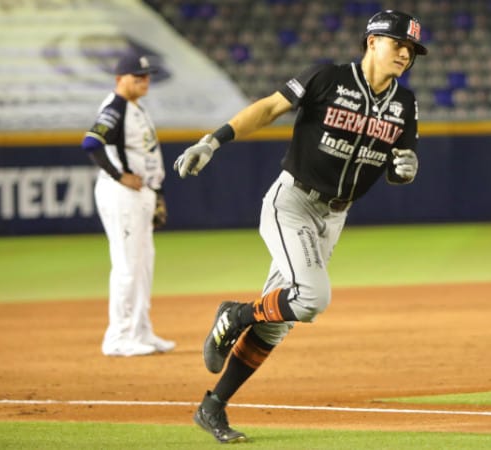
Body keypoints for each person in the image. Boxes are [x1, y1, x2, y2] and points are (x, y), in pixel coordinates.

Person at [173, 10, 426, 443]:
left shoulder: (405, 104)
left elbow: (398, 167)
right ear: (371, 42)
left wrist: (406, 169)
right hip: (292, 202)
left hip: (334, 217)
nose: (405, 53)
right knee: (311, 298)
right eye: (396, 43)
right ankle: (234, 314)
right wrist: (213, 140)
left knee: (276, 323)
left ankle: (212, 407)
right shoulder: (327, 79)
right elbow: (271, 107)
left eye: (412, 49)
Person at [81, 52, 175, 357]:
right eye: (138, 77)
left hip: (142, 194)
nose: (144, 81)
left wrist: (156, 194)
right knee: (126, 266)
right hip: (122, 195)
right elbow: (91, 143)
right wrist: (119, 175)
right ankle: (118, 337)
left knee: (143, 264)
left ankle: (141, 331)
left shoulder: (136, 107)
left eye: (146, 76)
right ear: (120, 79)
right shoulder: (115, 107)